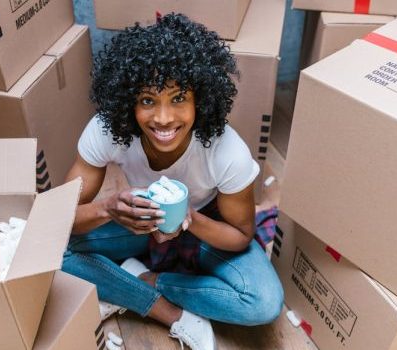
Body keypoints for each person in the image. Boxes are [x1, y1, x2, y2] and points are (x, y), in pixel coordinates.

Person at [62, 13, 284, 350]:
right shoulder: (107, 130)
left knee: (264, 302)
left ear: (200, 100)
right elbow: (60, 218)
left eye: (179, 99)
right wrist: (108, 208)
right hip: (137, 221)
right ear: (128, 102)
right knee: (54, 253)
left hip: (203, 224)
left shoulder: (227, 151)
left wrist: (188, 220)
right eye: (148, 101)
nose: (164, 119)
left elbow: (240, 237)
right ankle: (169, 313)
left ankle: (144, 278)